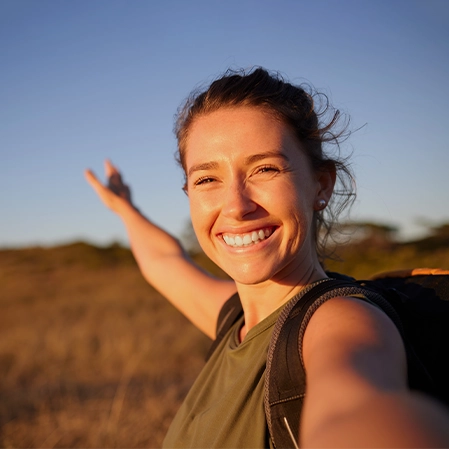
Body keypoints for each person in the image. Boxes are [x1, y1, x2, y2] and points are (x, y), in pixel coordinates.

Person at [85, 67, 449, 449]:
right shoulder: (235, 320)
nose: (236, 206)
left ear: (320, 184)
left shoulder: (339, 320)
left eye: (265, 169)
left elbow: (357, 409)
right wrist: (125, 209)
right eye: (207, 179)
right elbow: (164, 262)